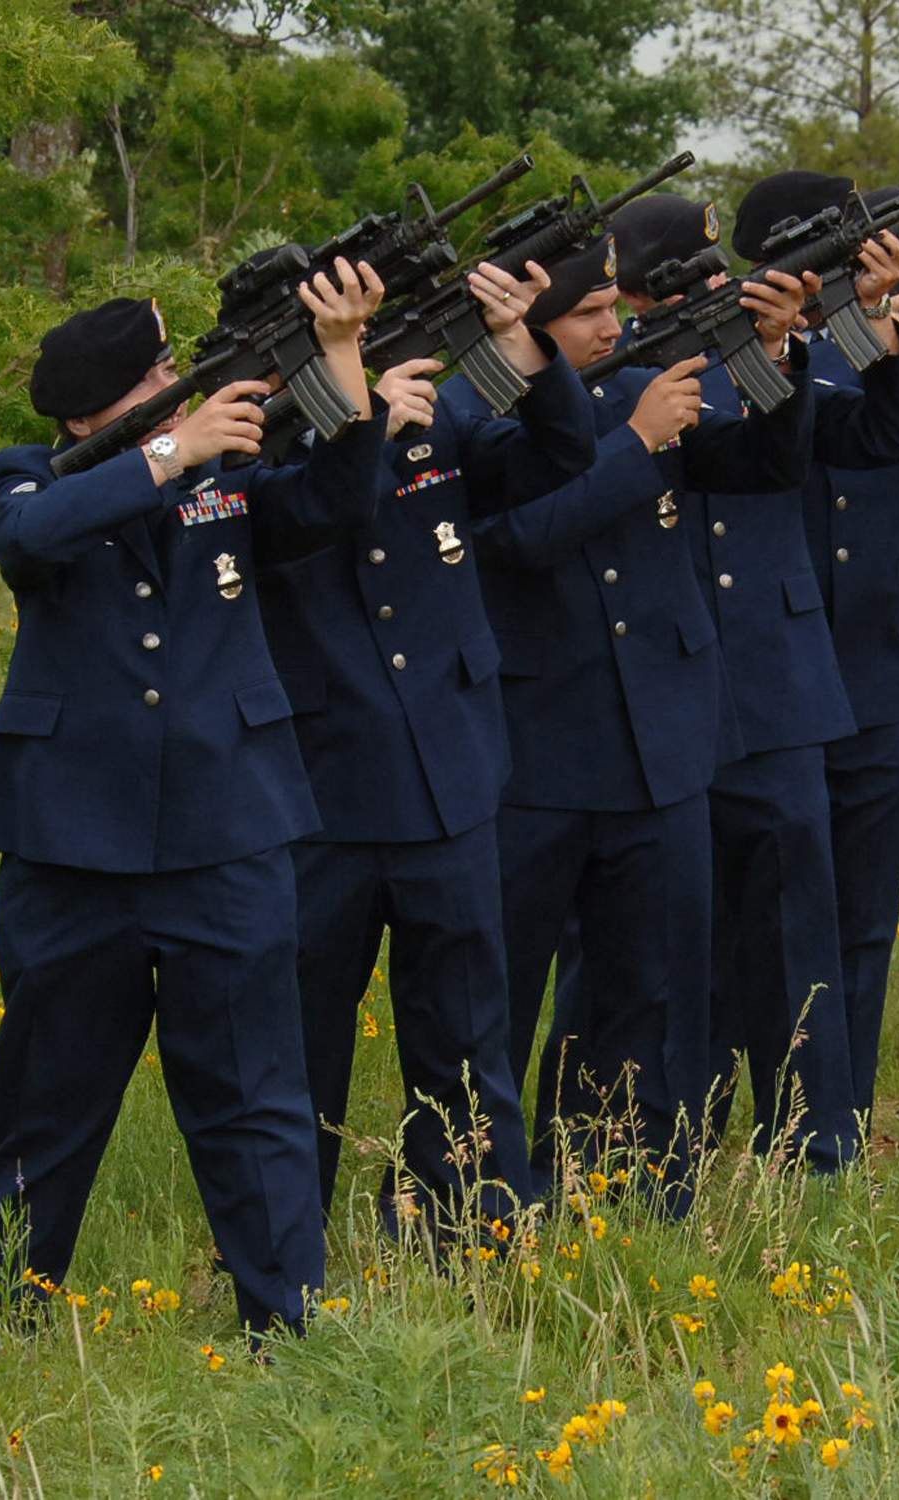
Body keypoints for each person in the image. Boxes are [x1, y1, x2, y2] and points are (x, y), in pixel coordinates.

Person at [0, 262, 387, 1361]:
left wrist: (341, 360)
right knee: (45, 1110)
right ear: (91, 408)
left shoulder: (232, 466)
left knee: (257, 1104)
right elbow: (27, 542)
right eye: (156, 372)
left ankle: (284, 1338)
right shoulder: (28, 474)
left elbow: (335, 505)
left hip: (225, 832)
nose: (180, 382)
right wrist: (167, 452)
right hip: (73, 847)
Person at [450, 233, 813, 1215]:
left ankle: (649, 1193)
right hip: (539, 746)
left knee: (657, 991)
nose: (615, 325)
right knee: (509, 996)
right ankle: (490, 1204)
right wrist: (636, 445)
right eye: (588, 314)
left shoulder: (648, 384)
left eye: (616, 305)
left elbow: (762, 465)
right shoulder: (472, 404)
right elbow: (516, 540)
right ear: (529, 324)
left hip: (663, 736)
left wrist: (773, 360)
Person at [256, 255, 594, 1243]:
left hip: (448, 772)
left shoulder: (437, 414)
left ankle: (469, 1231)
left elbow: (556, 456)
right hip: (322, 791)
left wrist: (523, 344)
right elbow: (303, 515)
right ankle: (288, 1254)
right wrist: (356, 426)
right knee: (302, 1039)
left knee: (465, 1036)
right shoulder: (255, 444)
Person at [602, 189, 899, 1171]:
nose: (718, 287)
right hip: (676, 691)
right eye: (697, 277)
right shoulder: (617, 380)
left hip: (779, 681)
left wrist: (803, 349)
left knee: (799, 934)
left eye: (718, 272)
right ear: (648, 291)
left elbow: (871, 438)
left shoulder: (768, 353)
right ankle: (667, 1149)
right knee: (679, 942)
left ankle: (817, 1150)